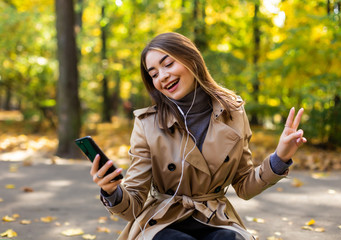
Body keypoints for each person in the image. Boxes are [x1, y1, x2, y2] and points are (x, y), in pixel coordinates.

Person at [90, 32, 306, 240]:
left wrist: (280, 157)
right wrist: (112, 192)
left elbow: (244, 185)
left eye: (168, 64)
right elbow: (134, 204)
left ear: (191, 59)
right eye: (154, 74)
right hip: (162, 220)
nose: (162, 76)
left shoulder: (233, 112)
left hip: (216, 218)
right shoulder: (147, 124)